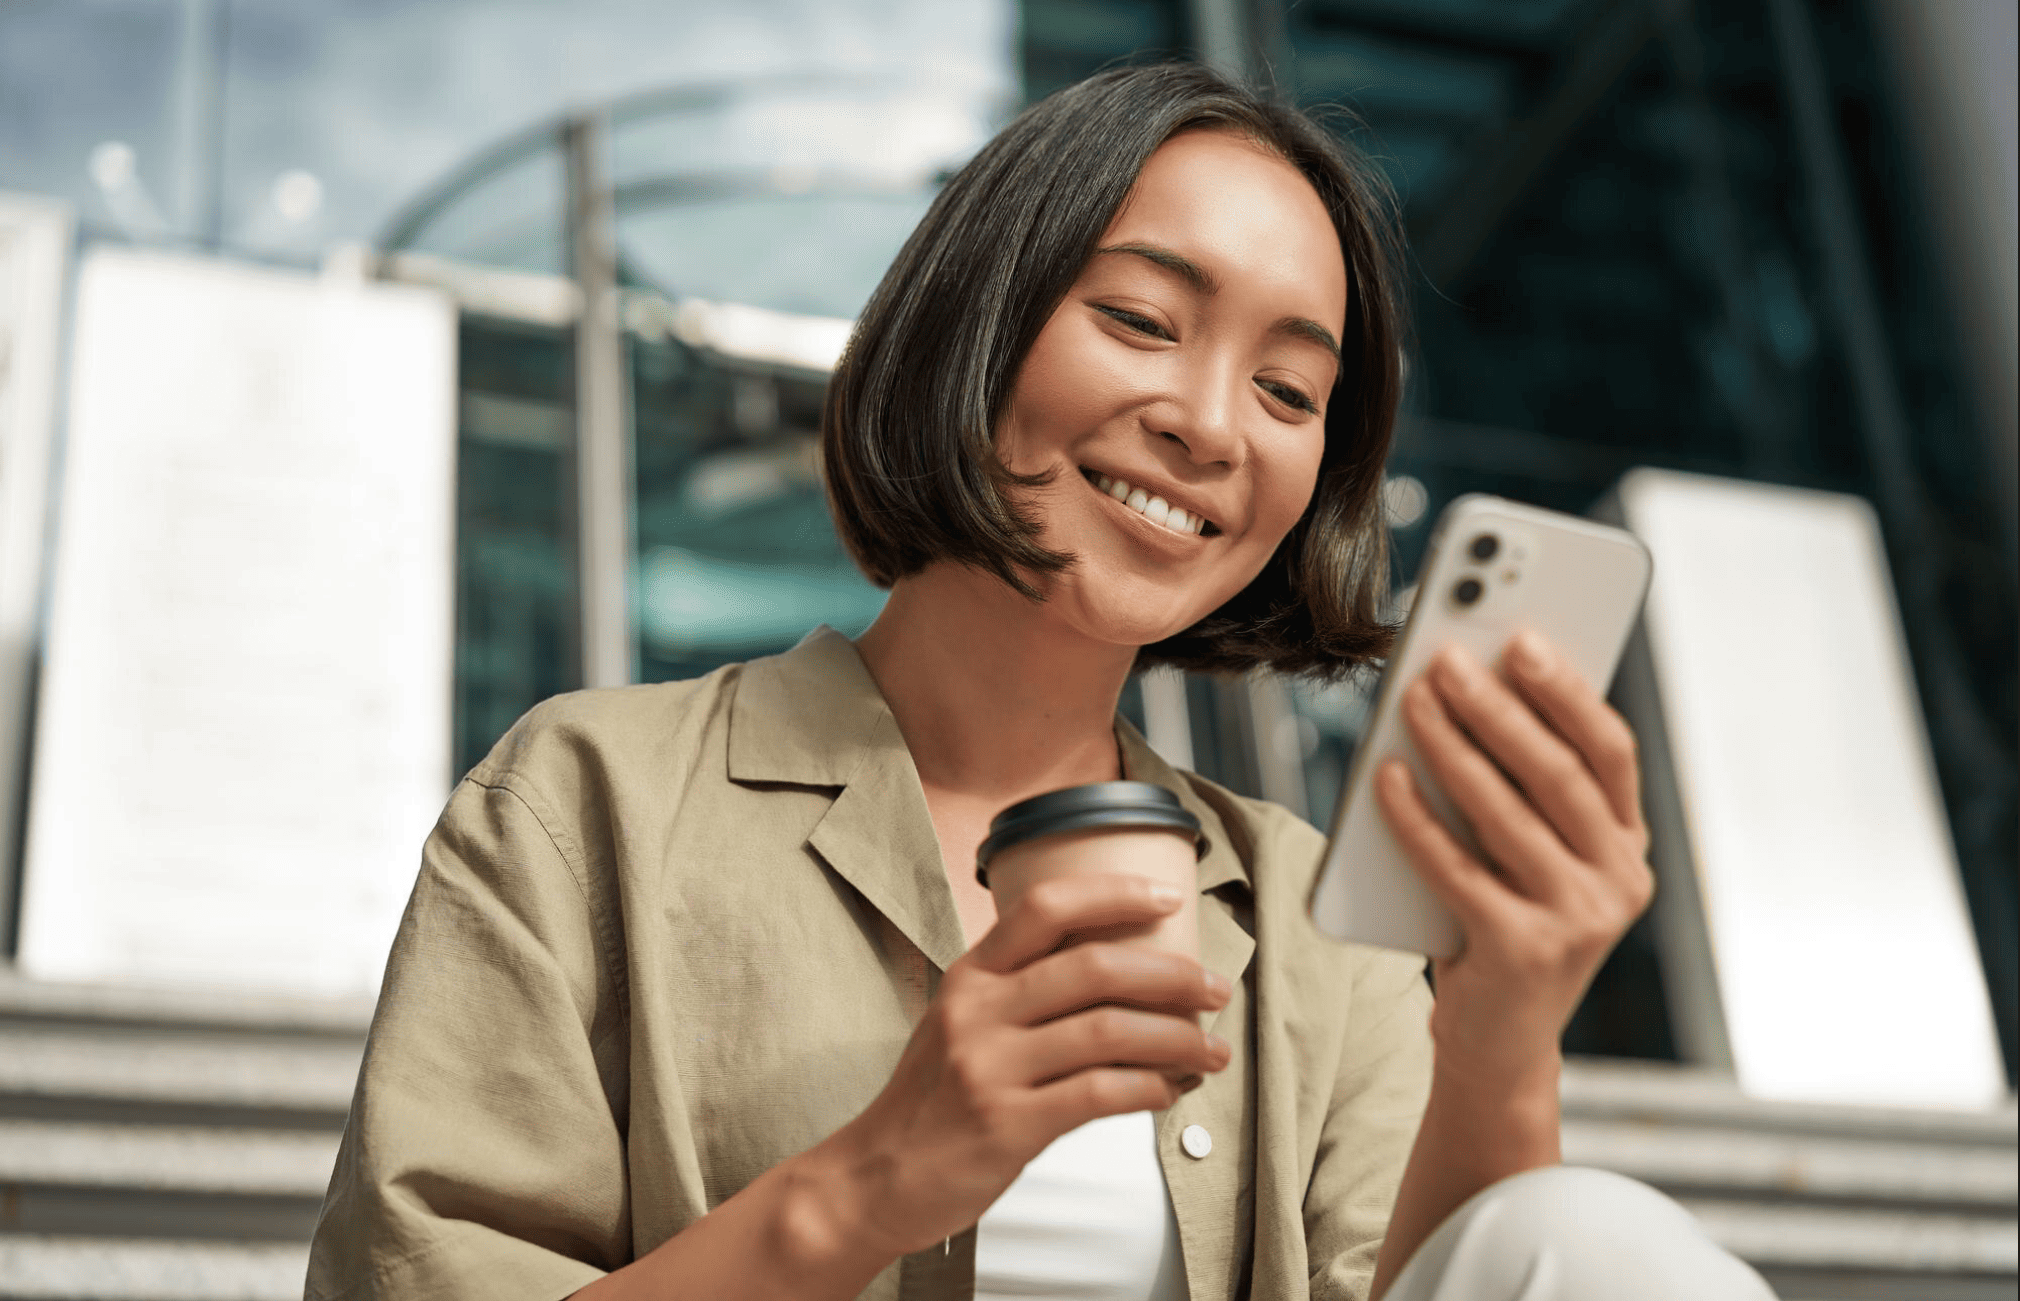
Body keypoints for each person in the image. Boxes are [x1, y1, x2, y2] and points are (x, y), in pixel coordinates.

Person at [306, 63, 1776, 1300]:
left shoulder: (1322, 922)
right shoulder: (587, 803)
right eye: (1141, 319)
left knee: (1600, 1242)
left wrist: (1506, 1030)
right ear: (978, 319)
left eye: (1287, 391)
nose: (1208, 425)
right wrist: (867, 1188)